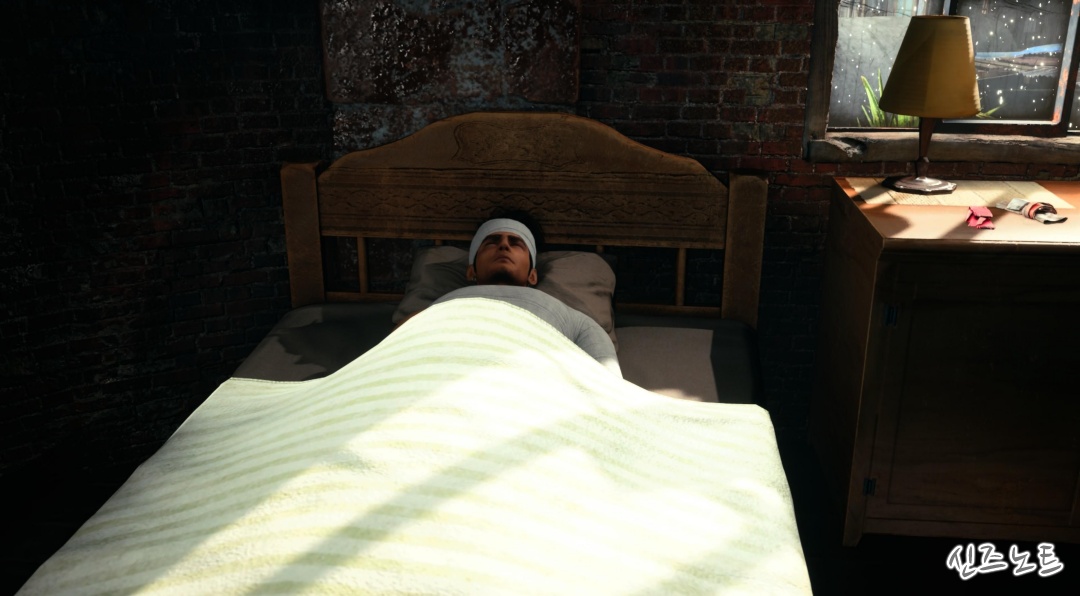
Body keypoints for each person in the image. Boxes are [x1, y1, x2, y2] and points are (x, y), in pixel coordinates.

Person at [418, 211, 621, 376]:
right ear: (471, 271)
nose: (504, 245)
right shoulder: (442, 307)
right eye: (492, 242)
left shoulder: (570, 318)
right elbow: (403, 346)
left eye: (516, 243)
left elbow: (607, 379)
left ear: (532, 275)